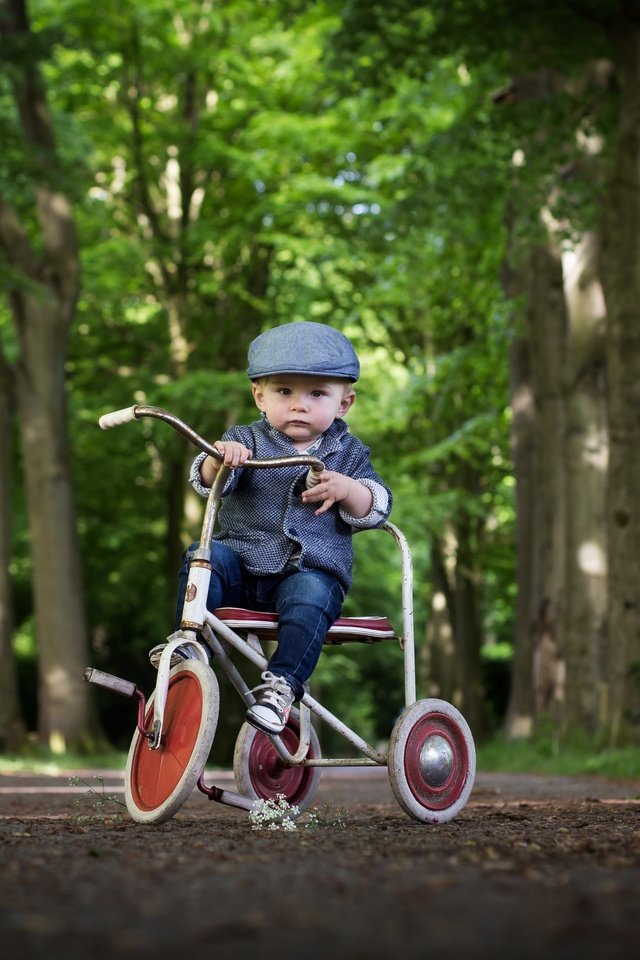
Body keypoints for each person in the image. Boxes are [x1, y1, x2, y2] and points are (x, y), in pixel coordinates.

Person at [151, 320, 392, 736]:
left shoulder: (348, 452)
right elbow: (205, 480)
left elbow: (378, 504)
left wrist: (348, 488)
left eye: (317, 393)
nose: (299, 404)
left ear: (343, 404)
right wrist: (220, 459)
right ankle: (188, 645)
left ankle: (281, 686)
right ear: (259, 396)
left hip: (307, 575)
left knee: (313, 592)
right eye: (285, 392)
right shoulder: (245, 440)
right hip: (242, 570)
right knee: (203, 555)